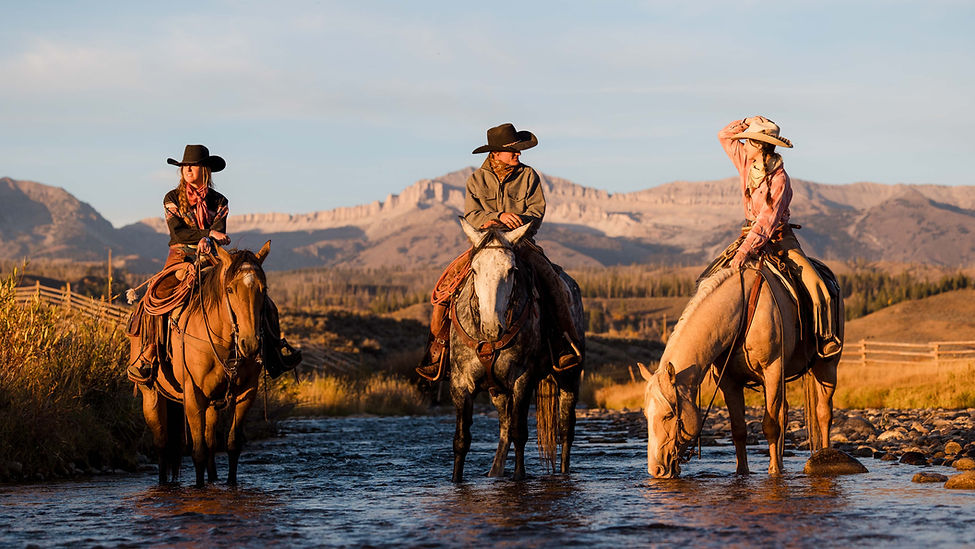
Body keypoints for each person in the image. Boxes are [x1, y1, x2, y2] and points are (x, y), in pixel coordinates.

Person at [415, 123, 583, 381]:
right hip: (484, 244)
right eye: (513, 150)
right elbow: (472, 214)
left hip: (520, 243)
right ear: (495, 153)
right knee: (445, 290)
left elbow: (537, 212)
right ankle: (436, 351)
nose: (518, 154)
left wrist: (520, 223)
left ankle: (562, 344)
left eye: (518, 149)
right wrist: (497, 217)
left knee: (553, 283)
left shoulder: (529, 177)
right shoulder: (476, 180)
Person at [127, 144, 298, 384]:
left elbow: (219, 233)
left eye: (193, 165)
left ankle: (273, 354)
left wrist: (210, 238)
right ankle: (151, 351)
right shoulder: (172, 198)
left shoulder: (220, 201)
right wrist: (207, 234)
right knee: (158, 296)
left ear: (204, 169)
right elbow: (177, 233)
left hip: (213, 259)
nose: (187, 170)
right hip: (180, 257)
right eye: (184, 166)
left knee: (261, 300)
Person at [717, 116, 841, 357]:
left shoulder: (780, 179)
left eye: (749, 141)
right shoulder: (746, 162)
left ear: (760, 145)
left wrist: (745, 251)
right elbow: (724, 136)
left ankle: (825, 337)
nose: (744, 144)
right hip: (747, 234)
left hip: (779, 238)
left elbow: (767, 220)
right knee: (712, 278)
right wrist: (745, 122)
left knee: (816, 286)